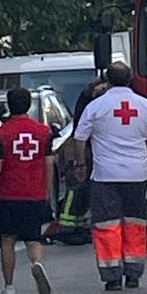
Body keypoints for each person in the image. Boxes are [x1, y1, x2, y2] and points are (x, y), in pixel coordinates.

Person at [74, 62, 147, 291]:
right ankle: (133, 273)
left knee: (107, 225)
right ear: (129, 80)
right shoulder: (146, 106)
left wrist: (80, 164)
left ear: (107, 80)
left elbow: (79, 138)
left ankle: (112, 275)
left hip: (105, 175)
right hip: (137, 174)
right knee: (135, 223)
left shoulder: (96, 106)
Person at [0, 87, 53, 294]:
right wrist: (47, 191)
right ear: (29, 105)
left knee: (7, 239)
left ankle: (9, 286)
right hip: (35, 193)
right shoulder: (43, 132)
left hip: (8, 193)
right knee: (33, 238)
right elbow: (49, 163)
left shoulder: (2, 132)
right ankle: (37, 263)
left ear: (9, 105)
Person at [55, 76, 107, 238]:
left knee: (83, 190)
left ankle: (75, 223)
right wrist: (80, 162)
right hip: (86, 151)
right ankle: (69, 224)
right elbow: (80, 134)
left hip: (89, 151)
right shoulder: (90, 105)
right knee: (77, 189)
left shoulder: (86, 101)